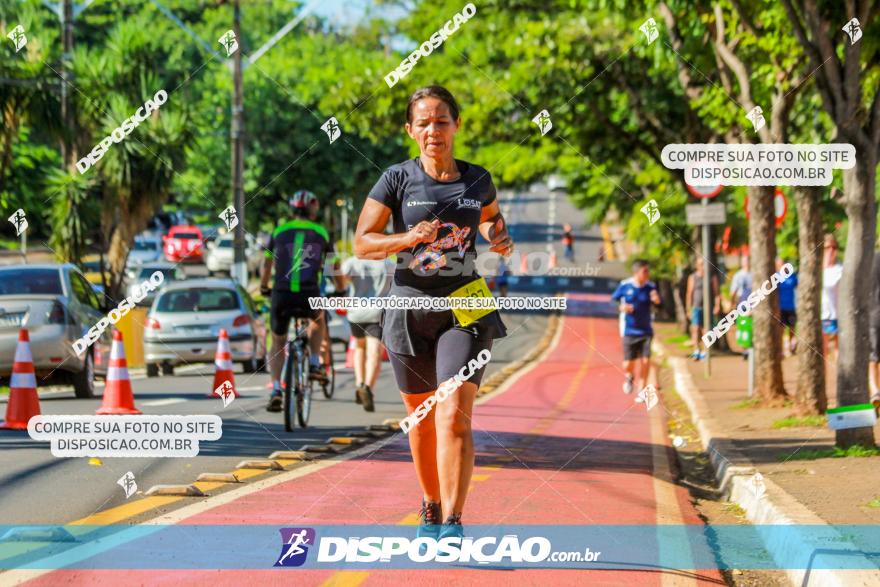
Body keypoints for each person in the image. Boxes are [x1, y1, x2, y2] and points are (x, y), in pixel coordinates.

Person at [353, 85, 513, 541]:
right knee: (421, 421)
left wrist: (498, 235)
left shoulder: (478, 178)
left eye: (441, 121)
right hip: (407, 305)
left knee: (453, 412)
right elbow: (363, 243)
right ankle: (430, 504)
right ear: (410, 130)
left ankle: (454, 521)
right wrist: (406, 239)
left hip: (467, 303)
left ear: (456, 125)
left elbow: (487, 219)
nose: (433, 130)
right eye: (423, 123)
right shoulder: (396, 179)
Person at [260, 190, 342, 412]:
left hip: (281, 293)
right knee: (318, 320)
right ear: (312, 209)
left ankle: (276, 389)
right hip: (309, 293)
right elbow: (333, 266)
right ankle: (315, 363)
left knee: (277, 343)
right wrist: (342, 290)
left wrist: (264, 286)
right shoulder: (321, 232)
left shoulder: (278, 231)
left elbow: (266, 265)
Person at [340, 254, 394, 412]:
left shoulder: (352, 262)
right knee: (374, 352)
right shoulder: (388, 264)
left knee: (359, 348)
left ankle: (359, 383)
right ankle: (368, 387)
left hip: (355, 312)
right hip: (377, 313)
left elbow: (342, 282)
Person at [611, 260, 661, 395]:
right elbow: (614, 300)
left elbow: (658, 306)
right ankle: (629, 376)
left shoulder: (650, 287)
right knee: (628, 364)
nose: (647, 274)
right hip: (629, 330)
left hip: (646, 330)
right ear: (636, 272)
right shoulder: (625, 285)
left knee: (646, 360)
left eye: (648, 271)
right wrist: (622, 307)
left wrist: (657, 301)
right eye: (645, 271)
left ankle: (642, 387)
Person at [686, 257, 720, 360]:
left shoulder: (711, 277)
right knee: (695, 329)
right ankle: (696, 351)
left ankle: (705, 352)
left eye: (704, 264)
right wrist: (688, 308)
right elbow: (689, 293)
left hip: (708, 308)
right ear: (697, 266)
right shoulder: (693, 277)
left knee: (706, 330)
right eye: (700, 264)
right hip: (696, 307)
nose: (702, 266)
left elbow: (717, 293)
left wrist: (717, 305)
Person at [821, 234, 843, 362]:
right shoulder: (817, 270)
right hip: (822, 315)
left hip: (836, 315)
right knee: (822, 351)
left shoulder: (840, 269)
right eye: (827, 248)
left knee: (838, 350)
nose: (831, 251)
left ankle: (840, 379)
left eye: (833, 248)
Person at [776, 256, 798, 356]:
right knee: (781, 330)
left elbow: (798, 287)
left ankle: (790, 348)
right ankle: (780, 350)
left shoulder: (792, 277)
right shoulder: (776, 277)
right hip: (780, 308)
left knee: (792, 329)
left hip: (791, 307)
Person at [869, 249, 880, 409]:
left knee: (873, 357)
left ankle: (874, 390)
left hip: (871, 314)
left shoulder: (870, 258)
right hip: (874, 313)